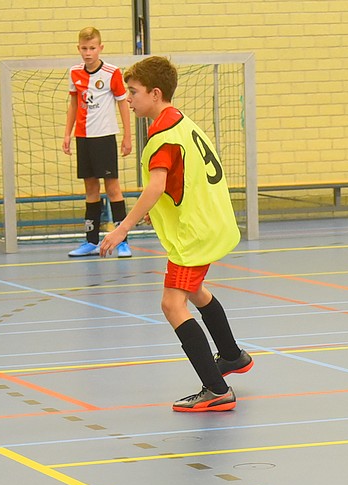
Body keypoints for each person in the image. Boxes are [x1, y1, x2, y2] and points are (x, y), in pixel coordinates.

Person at [98, 55, 252, 412]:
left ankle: (217, 391)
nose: (128, 99)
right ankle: (231, 355)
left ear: (155, 93)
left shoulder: (164, 137)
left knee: (171, 303)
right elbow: (183, 179)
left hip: (194, 232)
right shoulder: (181, 122)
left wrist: (123, 227)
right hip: (209, 222)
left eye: (133, 92)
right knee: (194, 289)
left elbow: (155, 186)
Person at [63, 27, 134, 258]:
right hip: (84, 137)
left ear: (100, 48)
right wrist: (67, 133)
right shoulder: (74, 72)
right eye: (84, 48)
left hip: (105, 137)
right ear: (78, 49)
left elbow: (123, 103)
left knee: (112, 188)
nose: (88, 53)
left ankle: (122, 241)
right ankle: (91, 241)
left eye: (92, 48)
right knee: (91, 189)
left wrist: (127, 135)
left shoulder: (112, 72)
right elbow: (74, 104)